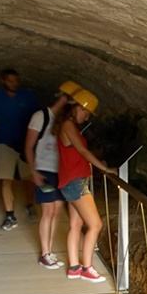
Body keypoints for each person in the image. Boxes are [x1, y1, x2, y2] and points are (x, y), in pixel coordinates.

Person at [52, 89, 115, 283]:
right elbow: (82, 151)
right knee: (95, 225)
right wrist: (105, 168)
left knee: (76, 224)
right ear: (77, 107)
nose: (87, 117)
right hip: (75, 182)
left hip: (71, 181)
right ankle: (87, 268)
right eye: (86, 112)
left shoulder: (68, 125)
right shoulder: (68, 125)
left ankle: (74, 268)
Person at [24, 81, 82, 269]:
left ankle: (49, 252)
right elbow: (28, 146)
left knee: (56, 210)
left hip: (60, 171)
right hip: (44, 169)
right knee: (48, 211)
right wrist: (33, 171)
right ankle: (45, 254)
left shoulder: (64, 121)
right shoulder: (40, 117)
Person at [0, 68, 39, 230]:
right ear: (3, 81)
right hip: (3, 143)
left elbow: (37, 120)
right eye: (10, 81)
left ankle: (30, 205)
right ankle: (10, 215)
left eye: (15, 81)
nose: (13, 84)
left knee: (28, 178)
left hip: (25, 144)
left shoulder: (28, 97)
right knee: (5, 178)